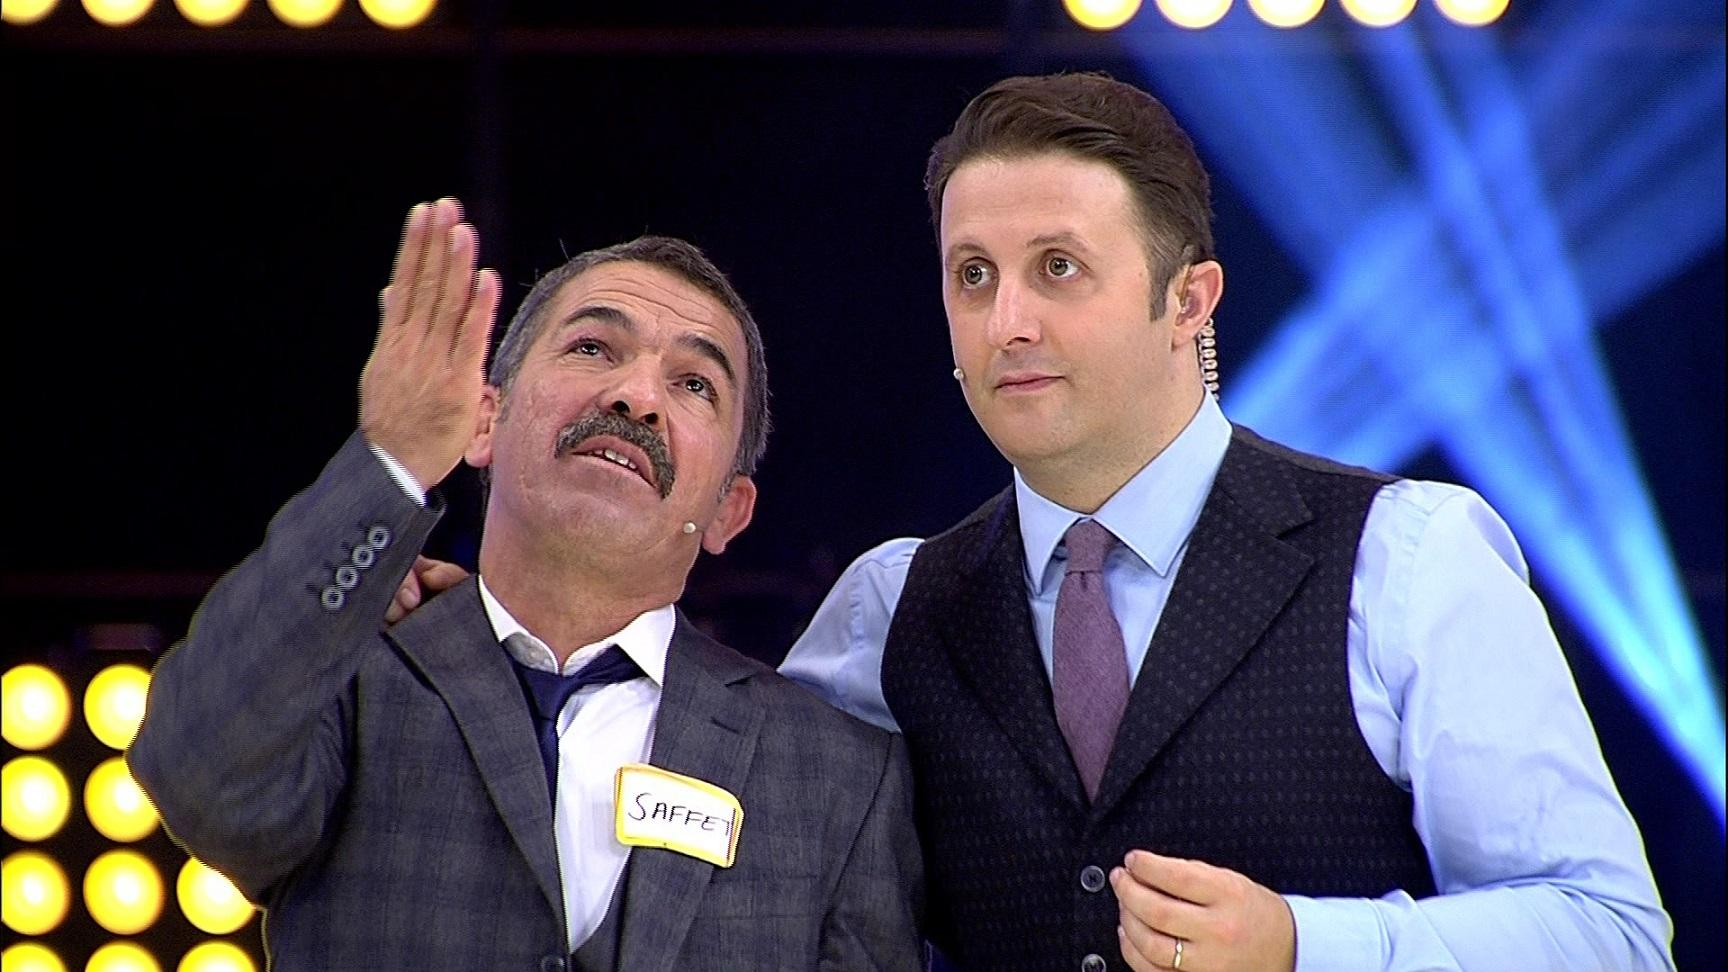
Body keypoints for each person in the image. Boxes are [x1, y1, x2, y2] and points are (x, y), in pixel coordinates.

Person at [776, 74, 1675, 972]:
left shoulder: (1408, 557)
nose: (1006, 323)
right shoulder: (886, 610)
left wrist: (1305, 946)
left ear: (1189, 301)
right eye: (973, 275)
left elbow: (1614, 936)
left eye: (1058, 267)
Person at [128, 198, 923, 972]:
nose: (637, 397)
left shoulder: (839, 776)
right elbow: (195, 771)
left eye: (694, 385)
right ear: (484, 422)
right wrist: (392, 465)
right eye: (593, 348)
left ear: (728, 510)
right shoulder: (346, 682)